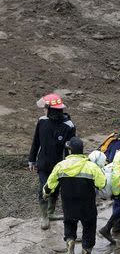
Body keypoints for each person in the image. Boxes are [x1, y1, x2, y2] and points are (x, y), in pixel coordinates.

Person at [43, 137, 106, 254]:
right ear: (82, 150)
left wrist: (46, 193)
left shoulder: (61, 165)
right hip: (87, 203)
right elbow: (102, 183)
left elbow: (50, 184)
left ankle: (70, 242)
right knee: (89, 225)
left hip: (68, 203)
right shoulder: (91, 166)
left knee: (69, 222)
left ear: (70, 151)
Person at [29, 93, 76, 230]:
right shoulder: (42, 121)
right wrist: (32, 160)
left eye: (45, 108)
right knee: (44, 188)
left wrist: (70, 164)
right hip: (43, 162)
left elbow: (71, 148)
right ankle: (44, 217)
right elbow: (36, 141)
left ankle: (50, 213)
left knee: (55, 189)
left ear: (51, 109)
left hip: (60, 164)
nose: (43, 110)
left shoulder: (69, 125)